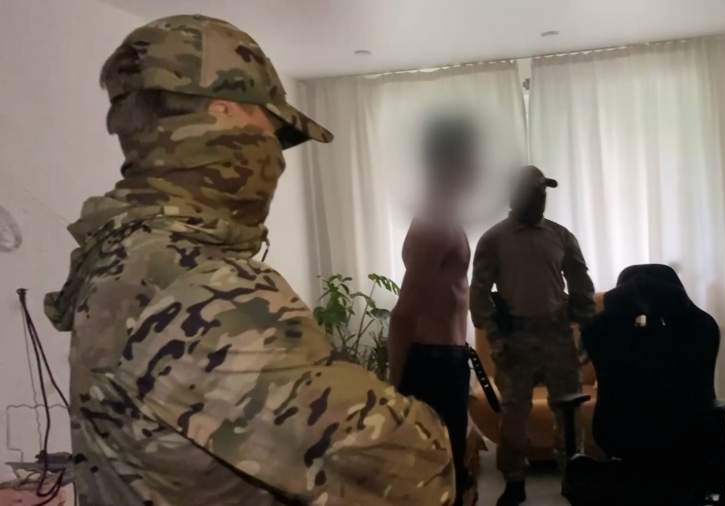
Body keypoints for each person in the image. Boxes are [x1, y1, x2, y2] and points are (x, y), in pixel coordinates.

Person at [44, 15, 454, 506]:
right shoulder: (203, 286)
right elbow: (413, 469)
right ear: (223, 116)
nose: (276, 157)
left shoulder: (118, 250)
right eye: (270, 132)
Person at [470, 165, 596, 506]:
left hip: (557, 335)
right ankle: (514, 481)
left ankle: (573, 476)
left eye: (543, 193)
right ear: (516, 195)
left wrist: (587, 329)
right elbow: (479, 296)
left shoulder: (561, 236)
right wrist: (495, 339)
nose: (541, 199)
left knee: (568, 412)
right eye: (535, 192)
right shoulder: (493, 239)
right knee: (513, 413)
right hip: (516, 338)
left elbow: (580, 282)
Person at [389, 115, 477, 506]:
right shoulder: (434, 224)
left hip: (447, 360)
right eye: (472, 157)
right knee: (436, 473)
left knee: (451, 465)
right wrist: (395, 386)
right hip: (432, 364)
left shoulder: (446, 217)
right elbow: (404, 314)